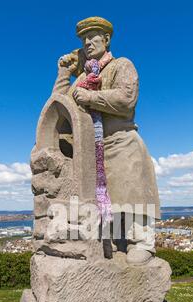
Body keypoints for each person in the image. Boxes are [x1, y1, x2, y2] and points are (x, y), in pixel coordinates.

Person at [52, 16, 160, 265]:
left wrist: (90, 98)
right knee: (104, 199)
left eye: (92, 37)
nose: (87, 42)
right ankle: (113, 239)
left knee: (130, 191)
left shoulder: (122, 65)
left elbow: (126, 100)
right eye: (83, 39)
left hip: (121, 142)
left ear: (106, 39)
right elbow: (59, 107)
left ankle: (142, 242)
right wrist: (64, 74)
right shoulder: (81, 79)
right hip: (92, 149)